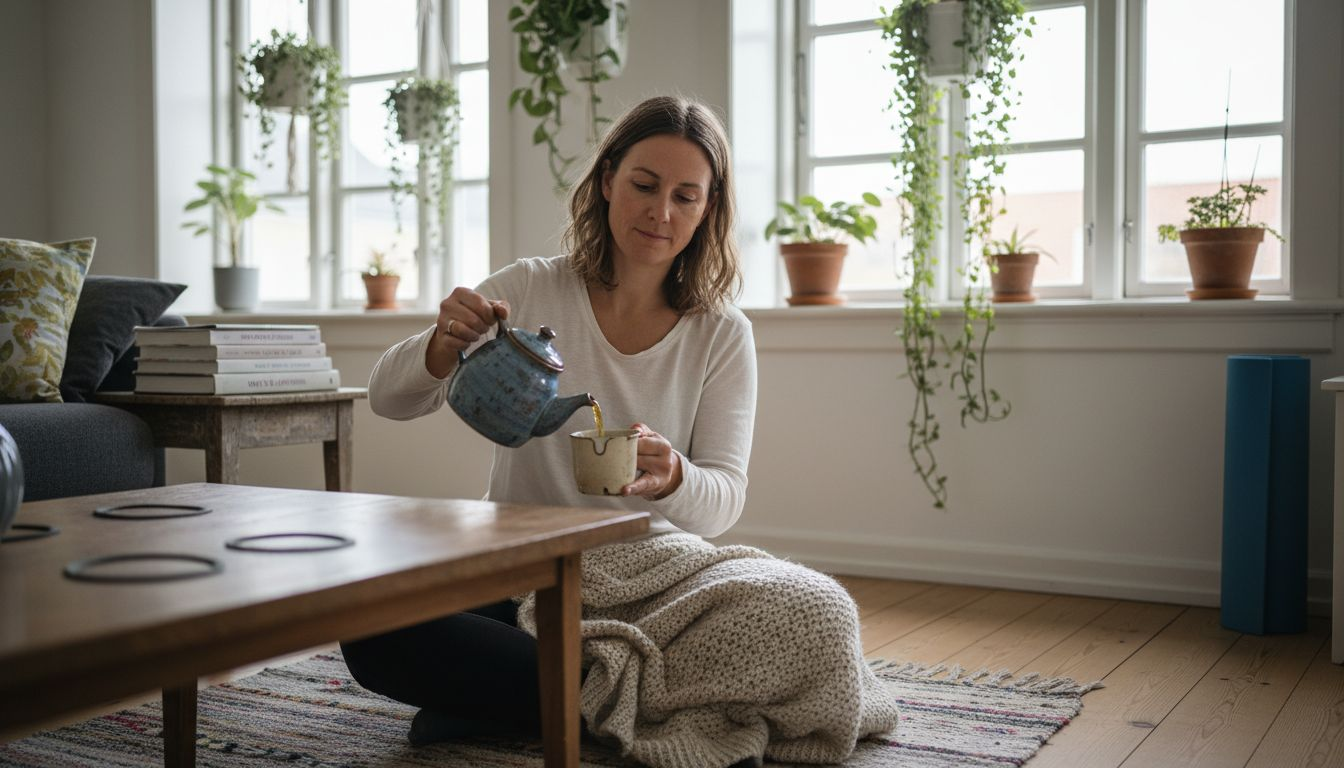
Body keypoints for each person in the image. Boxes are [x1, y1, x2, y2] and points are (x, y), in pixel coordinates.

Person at [343, 95, 896, 767]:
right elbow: (386, 399)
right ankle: (620, 701)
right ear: (607, 180)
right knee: (370, 624)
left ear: (707, 212)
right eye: (643, 185)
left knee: (819, 612)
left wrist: (676, 478)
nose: (660, 213)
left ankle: (514, 699)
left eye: (686, 197)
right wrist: (438, 345)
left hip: (656, 574)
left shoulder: (720, 331)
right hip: (522, 570)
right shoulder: (529, 287)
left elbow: (724, 499)